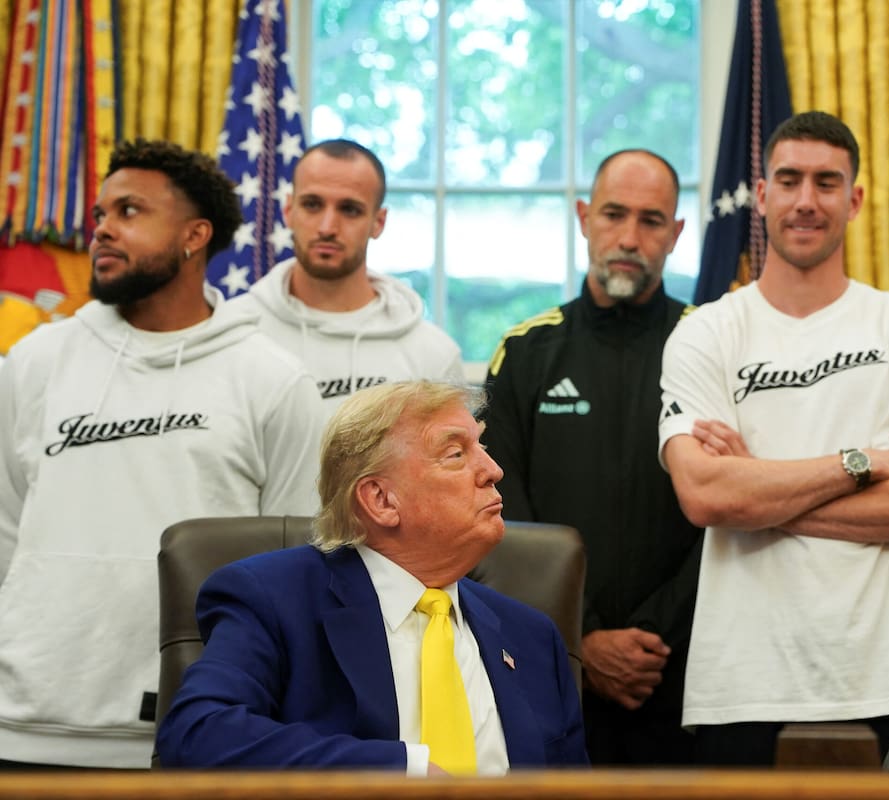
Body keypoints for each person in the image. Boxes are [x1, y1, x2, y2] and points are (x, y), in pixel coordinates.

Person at [657, 111, 889, 764]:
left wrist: (761, 488)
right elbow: (705, 497)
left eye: (827, 182)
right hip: (745, 682)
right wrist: (864, 463)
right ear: (762, 194)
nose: (807, 200)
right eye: (790, 179)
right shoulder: (705, 333)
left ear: (855, 198)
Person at [0, 139, 323, 768]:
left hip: (198, 730)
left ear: (194, 235)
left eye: (129, 211)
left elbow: (297, 570)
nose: (101, 232)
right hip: (23, 722)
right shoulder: (34, 363)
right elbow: (3, 528)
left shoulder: (272, 381)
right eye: (100, 214)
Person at [156, 381, 589, 772]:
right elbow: (198, 734)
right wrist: (403, 770)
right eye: (456, 453)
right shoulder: (273, 599)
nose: (493, 470)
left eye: (482, 447)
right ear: (380, 500)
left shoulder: (532, 636)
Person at [481, 149, 702, 765]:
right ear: (583, 217)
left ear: (677, 233)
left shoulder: (710, 342)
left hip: (684, 670)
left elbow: (733, 512)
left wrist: (655, 636)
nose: (629, 237)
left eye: (652, 220)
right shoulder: (527, 351)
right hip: (550, 661)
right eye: (613, 214)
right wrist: (583, 636)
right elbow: (499, 511)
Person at [227, 139, 463, 414]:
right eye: (312, 204)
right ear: (289, 211)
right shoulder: (235, 333)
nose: (327, 227)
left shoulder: (432, 354)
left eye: (349, 209)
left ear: (379, 222)